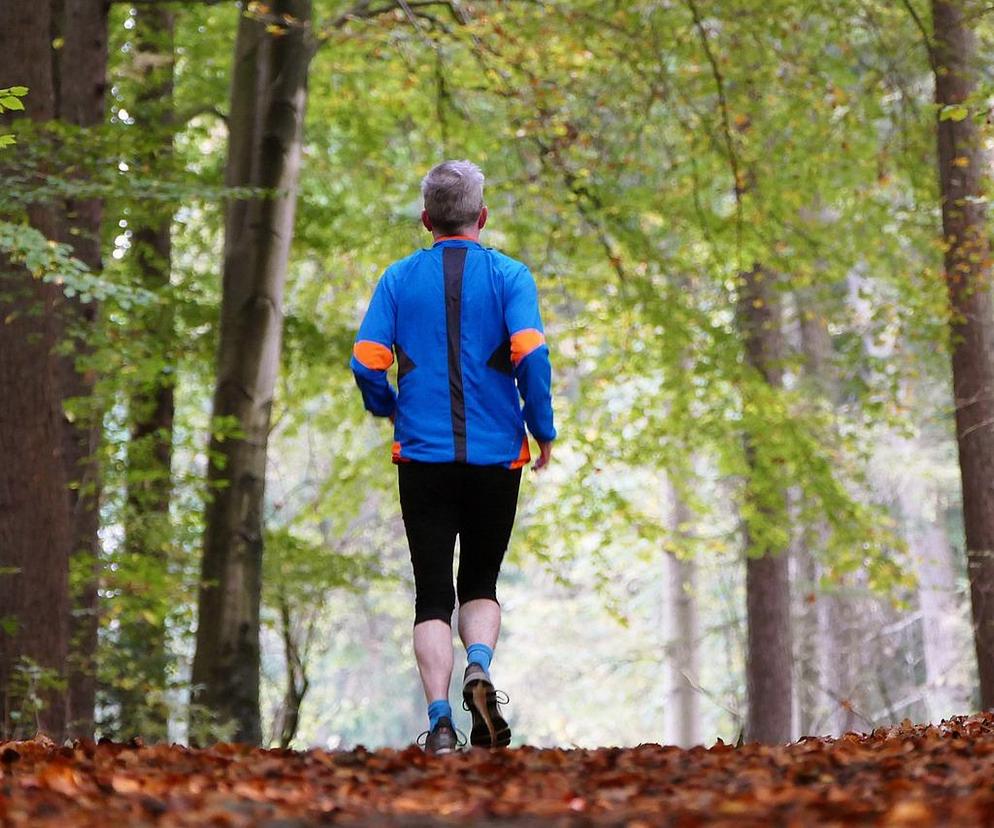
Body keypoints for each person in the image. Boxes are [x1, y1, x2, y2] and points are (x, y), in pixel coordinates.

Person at [350, 160, 556, 754]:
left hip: (422, 456)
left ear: (425, 219)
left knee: (432, 593)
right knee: (481, 583)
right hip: (497, 458)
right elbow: (531, 356)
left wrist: (387, 405)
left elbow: (365, 359)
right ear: (482, 217)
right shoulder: (511, 276)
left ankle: (441, 722)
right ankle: (480, 668)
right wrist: (542, 429)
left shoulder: (397, 279)